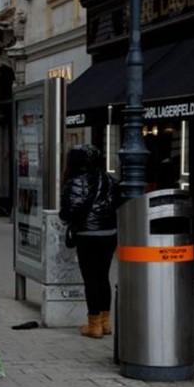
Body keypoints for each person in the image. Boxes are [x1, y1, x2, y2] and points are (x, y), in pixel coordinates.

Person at [59, 145, 119, 338]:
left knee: (91, 279)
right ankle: (105, 323)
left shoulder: (73, 181)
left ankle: (94, 325)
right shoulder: (109, 179)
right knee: (103, 277)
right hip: (109, 233)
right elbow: (118, 202)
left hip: (87, 235)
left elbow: (68, 212)